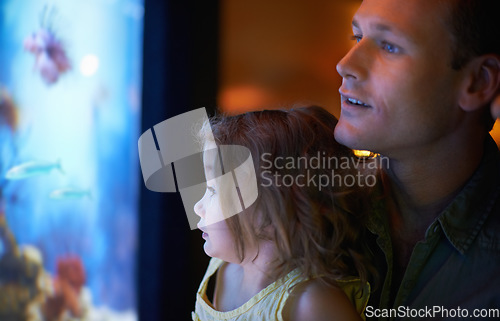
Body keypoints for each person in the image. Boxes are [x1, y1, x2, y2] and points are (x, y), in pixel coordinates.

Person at [335, 0, 500, 320]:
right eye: (357, 38)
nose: (345, 65)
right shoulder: (303, 208)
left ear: (478, 81)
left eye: (389, 46)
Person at [191, 106, 373, 321]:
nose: (197, 207)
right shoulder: (221, 268)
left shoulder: (312, 303)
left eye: (213, 190)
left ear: (273, 206)